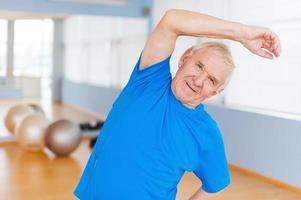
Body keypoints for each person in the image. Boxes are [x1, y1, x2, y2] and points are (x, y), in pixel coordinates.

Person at [74, 9, 281, 200]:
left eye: (211, 80)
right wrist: (242, 34)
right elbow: (172, 20)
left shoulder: (206, 133)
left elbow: (216, 185)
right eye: (199, 66)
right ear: (184, 58)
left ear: (215, 92)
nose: (198, 81)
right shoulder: (148, 81)